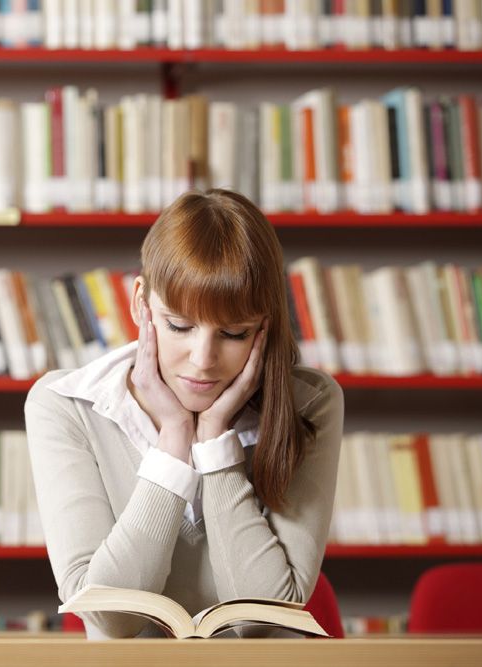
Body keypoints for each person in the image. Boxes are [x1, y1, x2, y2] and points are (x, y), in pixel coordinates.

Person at [25, 189, 344, 639]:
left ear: (265, 326)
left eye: (234, 333)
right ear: (141, 303)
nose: (203, 358)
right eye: (179, 326)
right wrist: (174, 441)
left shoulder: (310, 403)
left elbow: (261, 621)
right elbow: (111, 619)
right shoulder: (66, 405)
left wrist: (215, 444)